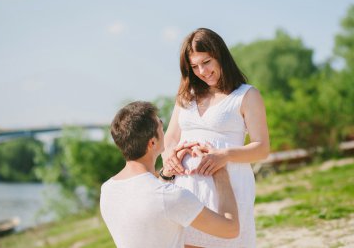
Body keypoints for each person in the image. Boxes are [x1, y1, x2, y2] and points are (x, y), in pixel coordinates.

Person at [162, 28, 270, 247]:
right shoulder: (186, 95)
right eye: (194, 66)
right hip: (185, 187)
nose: (202, 71)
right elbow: (171, 138)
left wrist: (225, 155)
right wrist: (170, 158)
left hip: (228, 185)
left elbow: (262, 148)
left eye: (207, 62)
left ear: (220, 55)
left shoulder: (247, 95)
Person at [100, 101, 240, 248]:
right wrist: (220, 172)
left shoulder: (108, 190)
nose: (164, 130)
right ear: (152, 143)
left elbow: (146, 201)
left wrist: (166, 174)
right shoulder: (171, 197)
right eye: (160, 125)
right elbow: (231, 229)